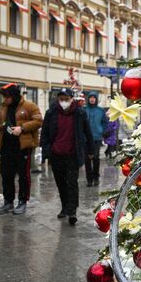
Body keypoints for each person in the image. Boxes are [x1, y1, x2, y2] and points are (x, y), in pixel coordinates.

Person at [40, 88, 94, 225]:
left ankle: (72, 210)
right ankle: (65, 206)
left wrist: (91, 150)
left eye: (66, 99)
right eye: (61, 99)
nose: (64, 101)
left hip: (73, 154)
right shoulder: (51, 112)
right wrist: (46, 151)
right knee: (61, 183)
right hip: (56, 154)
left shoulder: (80, 113)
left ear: (71, 99)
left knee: (72, 183)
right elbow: (45, 133)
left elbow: (87, 132)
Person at [0, 83, 42, 215]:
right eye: (4, 97)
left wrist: (22, 128)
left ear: (13, 95)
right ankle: (8, 202)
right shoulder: (4, 107)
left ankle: (22, 202)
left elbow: (38, 121)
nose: (5, 99)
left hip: (22, 147)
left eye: (7, 97)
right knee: (6, 174)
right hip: (6, 146)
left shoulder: (29, 106)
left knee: (23, 176)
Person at [84, 92, 107, 186]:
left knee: (96, 158)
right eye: (90, 97)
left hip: (96, 137)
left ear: (96, 99)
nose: (92, 99)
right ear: (88, 99)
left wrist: (103, 131)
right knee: (87, 159)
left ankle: (96, 177)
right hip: (85, 138)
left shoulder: (101, 111)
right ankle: (89, 179)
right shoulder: (84, 110)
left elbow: (105, 122)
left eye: (94, 97)